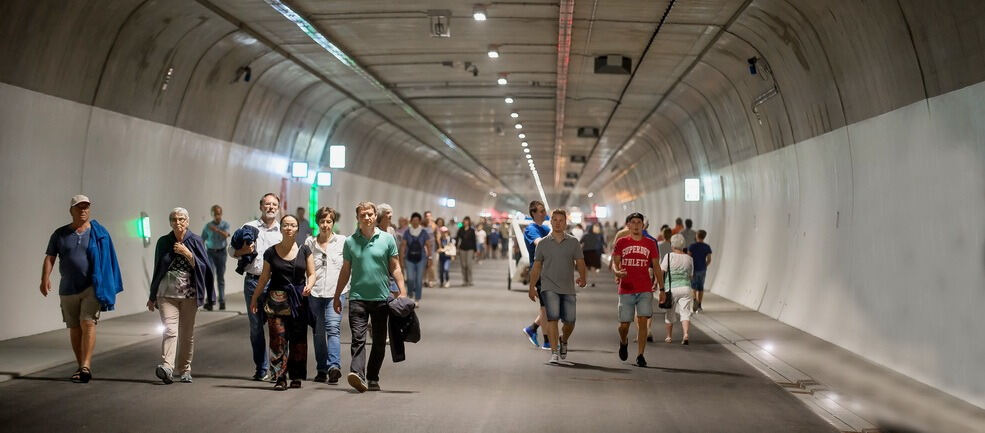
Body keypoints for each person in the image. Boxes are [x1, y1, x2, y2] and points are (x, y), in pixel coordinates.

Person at [41, 195, 123, 384]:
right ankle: (81, 367)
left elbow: (109, 258)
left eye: (86, 207)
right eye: (79, 207)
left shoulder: (98, 233)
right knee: (74, 327)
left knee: (88, 323)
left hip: (91, 287)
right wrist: (44, 278)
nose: (83, 210)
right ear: (71, 211)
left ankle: (86, 365)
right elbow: (50, 257)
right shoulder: (60, 234)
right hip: (68, 288)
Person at [333, 202, 408, 392]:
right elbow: (345, 270)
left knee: (379, 341)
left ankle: (373, 376)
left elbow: (395, 267)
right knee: (358, 339)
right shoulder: (350, 242)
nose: (367, 218)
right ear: (357, 218)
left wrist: (402, 292)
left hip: (382, 298)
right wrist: (337, 295)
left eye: (370, 214)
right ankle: (357, 374)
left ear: (375, 216)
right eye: (363, 215)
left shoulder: (388, 239)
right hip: (357, 298)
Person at [248, 214, 316, 390]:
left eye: (293, 225)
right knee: (278, 338)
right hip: (276, 300)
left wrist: (310, 285)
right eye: (285, 225)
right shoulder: (271, 252)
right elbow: (264, 278)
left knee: (298, 338)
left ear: (297, 229)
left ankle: (296, 376)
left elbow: (312, 273)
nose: (289, 228)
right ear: (281, 228)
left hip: (298, 300)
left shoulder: (305, 250)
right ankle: (279, 377)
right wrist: (255, 298)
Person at [147, 208, 214, 384]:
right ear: (170, 222)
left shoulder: (196, 241)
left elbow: (204, 267)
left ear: (187, 221)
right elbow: (157, 270)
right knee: (169, 330)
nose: (178, 222)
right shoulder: (163, 242)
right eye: (174, 219)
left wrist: (187, 253)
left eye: (181, 219)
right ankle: (167, 366)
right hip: (166, 294)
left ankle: (185, 368)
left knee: (187, 333)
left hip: (189, 295)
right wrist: (152, 295)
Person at [230, 193, 282, 381]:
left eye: (274, 204)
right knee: (256, 327)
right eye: (267, 204)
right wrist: (245, 251)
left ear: (278, 207)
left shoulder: (282, 230)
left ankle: (278, 367)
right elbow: (231, 251)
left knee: (277, 327)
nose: (270, 207)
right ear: (261, 206)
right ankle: (261, 367)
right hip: (253, 282)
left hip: (276, 283)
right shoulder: (248, 227)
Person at [527, 209, 587, 364]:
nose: (558, 223)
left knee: (570, 322)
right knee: (552, 319)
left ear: (565, 223)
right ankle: (554, 352)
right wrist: (532, 286)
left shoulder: (573, 242)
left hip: (567, 287)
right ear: (551, 222)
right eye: (555, 220)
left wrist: (583, 277)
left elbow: (580, 262)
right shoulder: (543, 243)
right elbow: (537, 267)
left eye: (561, 220)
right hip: (549, 286)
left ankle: (564, 339)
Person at [610, 213, 665, 367]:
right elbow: (615, 262)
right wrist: (616, 272)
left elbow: (656, 266)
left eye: (638, 222)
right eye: (632, 222)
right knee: (624, 325)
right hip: (626, 288)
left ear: (643, 225)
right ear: (628, 225)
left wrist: (662, 289)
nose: (635, 225)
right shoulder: (621, 242)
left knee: (642, 323)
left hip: (644, 288)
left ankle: (640, 355)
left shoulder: (650, 243)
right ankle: (623, 341)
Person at [305, 207, 348, 384]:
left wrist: (347, 287)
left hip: (336, 292)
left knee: (333, 328)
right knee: (318, 332)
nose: (325, 225)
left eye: (328, 221)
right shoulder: (309, 242)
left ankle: (333, 367)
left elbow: (347, 266)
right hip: (315, 293)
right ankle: (321, 369)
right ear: (318, 223)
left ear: (333, 222)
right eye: (322, 221)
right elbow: (306, 267)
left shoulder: (342, 241)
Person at [521, 201, 551, 349]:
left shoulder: (545, 228)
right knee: (545, 307)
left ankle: (532, 328)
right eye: (540, 211)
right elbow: (540, 243)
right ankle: (546, 340)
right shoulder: (530, 229)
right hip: (539, 271)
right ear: (533, 214)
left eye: (544, 210)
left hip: (550, 271)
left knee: (549, 306)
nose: (544, 213)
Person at [661, 234, 694, 345]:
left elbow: (662, 271)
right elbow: (690, 275)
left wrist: (659, 285)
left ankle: (669, 337)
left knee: (670, 313)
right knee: (685, 312)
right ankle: (685, 334)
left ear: (672, 245)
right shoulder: (689, 258)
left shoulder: (669, 256)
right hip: (686, 288)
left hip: (671, 289)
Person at [201, 205, 230, 310]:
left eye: (218, 213)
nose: (216, 216)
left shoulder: (225, 224)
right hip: (210, 253)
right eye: (214, 214)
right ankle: (210, 301)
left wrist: (216, 230)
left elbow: (226, 235)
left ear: (221, 214)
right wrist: (201, 252)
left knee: (220, 277)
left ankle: (222, 301)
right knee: (210, 276)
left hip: (221, 253)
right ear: (212, 214)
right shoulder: (208, 226)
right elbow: (202, 239)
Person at [401, 212, 432, 303]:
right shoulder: (407, 232)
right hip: (409, 257)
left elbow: (428, 245)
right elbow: (403, 245)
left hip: (421, 257)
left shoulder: (423, 232)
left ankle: (417, 298)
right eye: (413, 220)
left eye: (417, 220)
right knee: (410, 278)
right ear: (411, 221)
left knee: (419, 279)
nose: (415, 222)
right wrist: (401, 258)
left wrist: (429, 258)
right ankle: (410, 294)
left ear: (419, 221)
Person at [377, 203, 403, 295]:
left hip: (391, 267)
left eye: (391, 212)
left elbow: (395, 249)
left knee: (396, 293)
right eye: (387, 213)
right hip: (379, 268)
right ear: (381, 215)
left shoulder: (391, 230)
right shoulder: (375, 230)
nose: (390, 215)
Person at [688, 230, 713, 312]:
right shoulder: (707, 247)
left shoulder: (692, 246)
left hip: (694, 269)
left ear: (697, 236)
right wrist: (704, 265)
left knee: (693, 287)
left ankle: (694, 299)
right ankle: (699, 305)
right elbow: (709, 259)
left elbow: (688, 258)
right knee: (701, 287)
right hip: (702, 269)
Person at [455, 217, 478, 286]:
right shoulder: (460, 229)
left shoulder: (472, 230)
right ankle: (464, 280)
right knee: (463, 265)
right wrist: (456, 247)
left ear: (469, 222)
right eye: (465, 221)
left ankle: (470, 280)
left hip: (470, 249)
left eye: (467, 221)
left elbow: (474, 240)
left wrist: (475, 250)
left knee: (469, 264)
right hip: (462, 248)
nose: (466, 222)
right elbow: (457, 239)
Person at [423, 211, 439, 288]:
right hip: (423, 247)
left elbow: (437, 237)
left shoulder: (434, 225)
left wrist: (439, 247)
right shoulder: (422, 225)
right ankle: (425, 279)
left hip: (432, 247)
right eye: (426, 216)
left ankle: (431, 280)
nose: (428, 217)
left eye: (429, 216)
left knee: (431, 265)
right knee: (425, 265)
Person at [436, 221, 453, 288]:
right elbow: (437, 248)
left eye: (445, 232)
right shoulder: (439, 240)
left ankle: (447, 281)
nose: (444, 233)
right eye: (442, 232)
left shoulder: (450, 239)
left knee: (446, 269)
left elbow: (452, 247)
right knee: (441, 270)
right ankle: (441, 282)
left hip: (447, 257)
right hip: (441, 257)